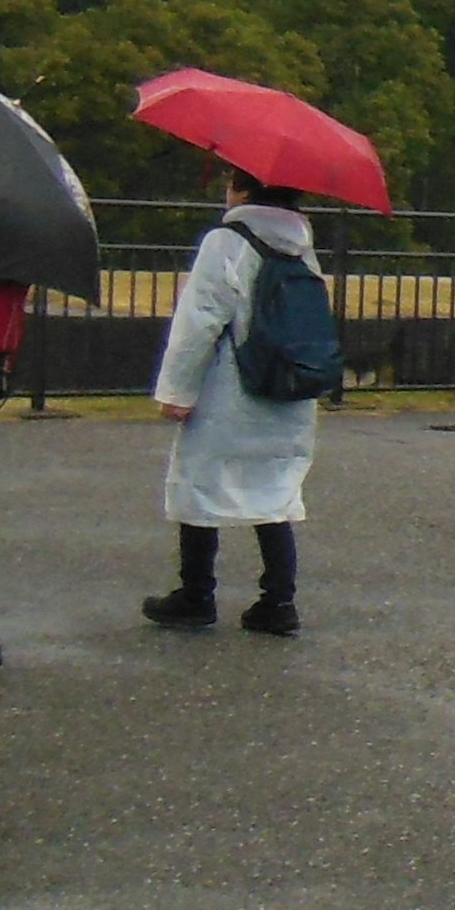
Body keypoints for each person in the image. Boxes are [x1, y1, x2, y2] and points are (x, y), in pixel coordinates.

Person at [142, 166, 319, 636]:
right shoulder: (301, 243)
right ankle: (278, 601)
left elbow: (199, 319)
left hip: (230, 385)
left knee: (200, 482)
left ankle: (195, 594)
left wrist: (176, 389)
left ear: (243, 188)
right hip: (287, 387)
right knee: (276, 491)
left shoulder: (227, 241)